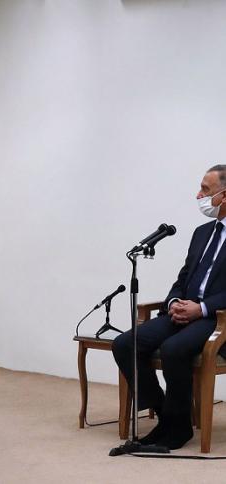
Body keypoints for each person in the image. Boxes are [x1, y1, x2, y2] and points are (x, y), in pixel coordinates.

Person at [113, 164, 226, 450]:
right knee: (125, 344)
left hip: (215, 318)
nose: (198, 195)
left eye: (205, 189)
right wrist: (174, 302)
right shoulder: (202, 232)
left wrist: (201, 308)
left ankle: (177, 431)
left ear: (224, 195)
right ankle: (168, 417)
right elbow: (184, 277)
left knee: (174, 349)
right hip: (183, 310)